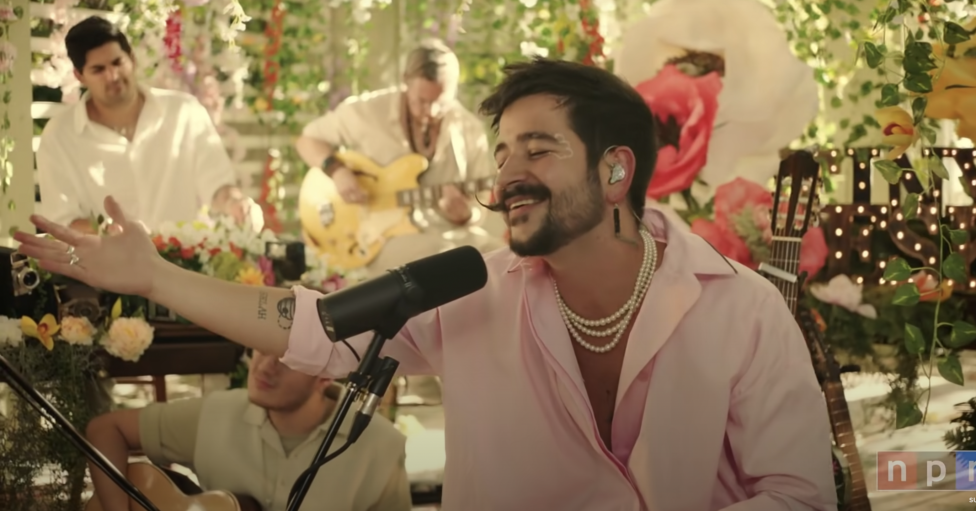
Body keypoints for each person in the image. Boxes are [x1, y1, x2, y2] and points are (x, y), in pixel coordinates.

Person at [17, 58, 839, 510]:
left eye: (538, 150)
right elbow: (312, 325)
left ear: (616, 168)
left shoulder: (744, 308)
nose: (507, 174)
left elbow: (801, 495)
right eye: (504, 152)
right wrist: (156, 275)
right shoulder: (472, 285)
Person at [84, 349, 411, 511]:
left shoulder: (381, 446)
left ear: (326, 374)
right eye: (262, 347)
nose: (265, 364)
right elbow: (105, 429)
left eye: (287, 357)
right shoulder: (215, 412)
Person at [295, 38, 503, 275]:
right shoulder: (367, 111)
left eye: (441, 102)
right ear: (405, 81)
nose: (431, 111)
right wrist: (338, 172)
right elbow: (308, 140)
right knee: (445, 260)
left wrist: (463, 213)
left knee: (506, 259)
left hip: (450, 232)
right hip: (378, 236)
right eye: (422, 101)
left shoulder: (470, 129)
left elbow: (479, 205)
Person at [36, 16, 258, 234]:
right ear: (79, 76)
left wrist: (236, 204)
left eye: (117, 62)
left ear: (132, 59)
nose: (112, 76)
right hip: (109, 266)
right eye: (98, 70)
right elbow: (63, 221)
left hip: (185, 264)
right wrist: (111, 233)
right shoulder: (59, 136)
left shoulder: (184, 112)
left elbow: (218, 185)